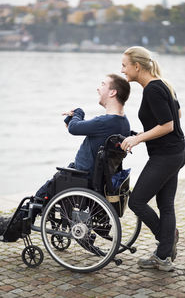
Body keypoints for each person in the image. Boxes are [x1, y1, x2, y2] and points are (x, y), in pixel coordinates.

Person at [0, 73, 131, 237]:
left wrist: (78, 111)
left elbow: (75, 128)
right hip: (97, 178)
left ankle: (13, 228)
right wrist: (71, 120)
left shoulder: (104, 122)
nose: (98, 88)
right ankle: (16, 222)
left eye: (103, 84)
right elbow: (76, 127)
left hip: (81, 177)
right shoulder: (122, 122)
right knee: (45, 191)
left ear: (112, 92)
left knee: (41, 195)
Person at [120, 46, 185, 272]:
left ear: (137, 66)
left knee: (137, 201)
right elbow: (176, 115)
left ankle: (166, 242)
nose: (122, 70)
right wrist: (145, 131)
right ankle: (163, 256)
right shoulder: (162, 84)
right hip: (175, 152)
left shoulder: (152, 89)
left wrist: (139, 139)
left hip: (167, 155)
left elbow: (168, 125)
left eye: (124, 65)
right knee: (165, 205)